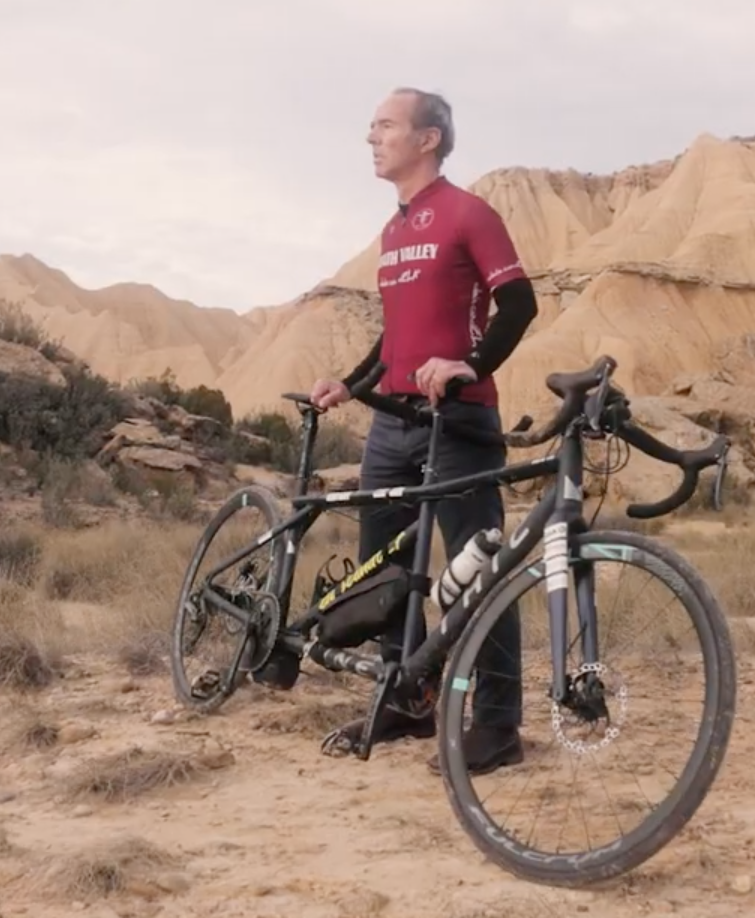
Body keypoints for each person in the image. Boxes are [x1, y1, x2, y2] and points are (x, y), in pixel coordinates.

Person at [308, 87, 538, 775]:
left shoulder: (469, 213)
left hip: (458, 420)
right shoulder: (395, 230)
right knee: (387, 572)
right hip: (392, 426)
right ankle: (408, 697)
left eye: (384, 125)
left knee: (478, 570)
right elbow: (397, 336)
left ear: (428, 138)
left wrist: (466, 365)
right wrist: (351, 385)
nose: (370, 137)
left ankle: (497, 725)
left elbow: (519, 304)